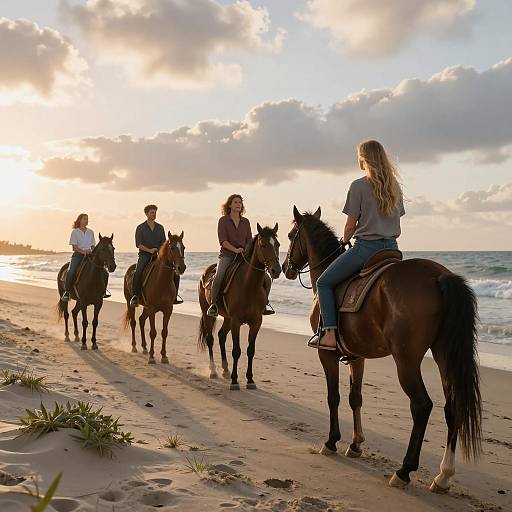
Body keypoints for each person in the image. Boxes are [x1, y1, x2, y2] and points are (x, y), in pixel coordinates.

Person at [310, 139, 405, 350]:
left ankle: (330, 335)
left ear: (364, 159)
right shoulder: (395, 186)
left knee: (323, 283)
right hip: (392, 249)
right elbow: (398, 219)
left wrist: (344, 241)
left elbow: (351, 225)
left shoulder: (359, 185)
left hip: (367, 249)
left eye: (359, 157)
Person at [207, 194, 274, 317]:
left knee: (267, 279)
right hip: (227, 255)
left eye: (240, 202)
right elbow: (223, 241)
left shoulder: (246, 222)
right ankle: (214, 305)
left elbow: (249, 240)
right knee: (219, 276)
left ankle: (264, 304)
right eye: (236, 202)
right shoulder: (223, 221)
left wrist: (246, 251)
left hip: (244, 256)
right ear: (230, 205)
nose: (238, 204)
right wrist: (235, 249)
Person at [129, 205, 182, 308]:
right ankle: (135, 296)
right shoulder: (140, 228)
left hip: (158, 256)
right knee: (138, 271)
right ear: (147, 214)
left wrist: (159, 251)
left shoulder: (160, 228)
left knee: (175, 273)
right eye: (152, 212)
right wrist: (149, 250)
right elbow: (138, 244)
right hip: (144, 255)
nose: (154, 214)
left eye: (155, 212)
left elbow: (164, 244)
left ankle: (174, 296)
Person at [61, 213, 110, 301]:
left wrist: (92, 251)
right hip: (78, 255)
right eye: (84, 219)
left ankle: (103, 292)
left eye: (87, 219)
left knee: (105, 272)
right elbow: (74, 247)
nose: (86, 221)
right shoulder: (75, 232)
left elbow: (92, 246)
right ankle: (67, 292)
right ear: (79, 220)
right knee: (71, 271)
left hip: (90, 255)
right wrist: (83, 252)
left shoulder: (90, 232)